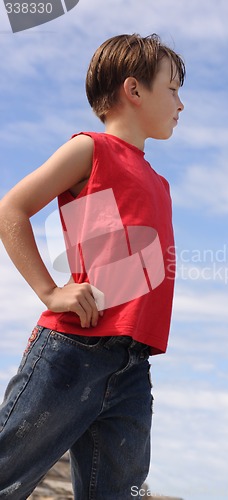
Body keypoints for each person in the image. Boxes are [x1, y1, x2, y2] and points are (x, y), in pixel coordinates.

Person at [0, 33, 185, 499]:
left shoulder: (159, 182)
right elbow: (12, 210)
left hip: (133, 364)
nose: (180, 104)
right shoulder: (91, 149)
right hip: (71, 352)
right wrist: (50, 291)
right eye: (173, 88)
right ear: (134, 89)